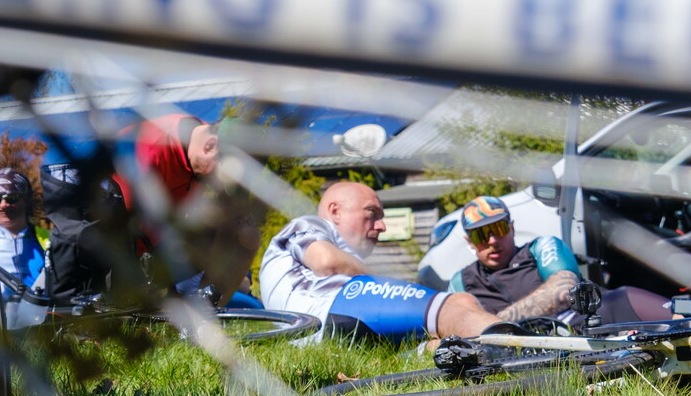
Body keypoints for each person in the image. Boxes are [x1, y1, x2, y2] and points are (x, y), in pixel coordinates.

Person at [258, 181, 504, 341]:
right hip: (328, 309)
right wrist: (388, 283)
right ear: (335, 212)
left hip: (322, 326)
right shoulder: (308, 224)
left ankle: (500, 349)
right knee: (453, 305)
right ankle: (530, 348)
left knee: (444, 337)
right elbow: (326, 261)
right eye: (371, 213)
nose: (382, 225)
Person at [113, 113, 262, 306]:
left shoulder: (203, 137)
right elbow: (118, 224)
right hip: (123, 253)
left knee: (245, 232)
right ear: (209, 147)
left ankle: (205, 316)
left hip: (163, 244)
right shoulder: (151, 150)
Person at [450, 196, 673, 324]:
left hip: (588, 322)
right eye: (481, 234)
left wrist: (494, 324)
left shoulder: (540, 247)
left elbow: (565, 289)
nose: (492, 240)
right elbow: (447, 326)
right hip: (529, 352)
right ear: (469, 241)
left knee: (690, 320)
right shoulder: (461, 281)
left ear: (512, 228)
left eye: (498, 229)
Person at [0, 168, 48, 298]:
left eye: (12, 198)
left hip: (36, 315)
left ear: (26, 200)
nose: (3, 205)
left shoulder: (48, 240)